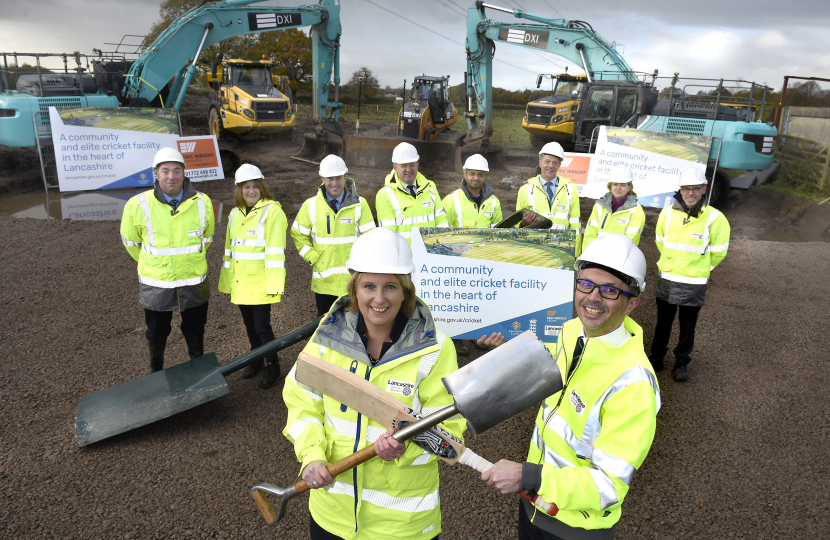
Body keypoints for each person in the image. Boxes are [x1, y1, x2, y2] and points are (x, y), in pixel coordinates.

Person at [282, 227, 464, 539]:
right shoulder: (328, 337)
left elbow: (450, 435)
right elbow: (302, 400)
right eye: (369, 286)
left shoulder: (435, 348)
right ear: (354, 289)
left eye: (390, 287)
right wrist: (312, 455)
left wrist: (404, 446)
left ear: (406, 290)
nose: (379, 299)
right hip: (331, 517)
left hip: (401, 527)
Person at [480, 234, 660, 540]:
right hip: (534, 503)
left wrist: (528, 475)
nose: (592, 297)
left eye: (610, 291)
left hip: (577, 529)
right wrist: (503, 354)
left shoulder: (634, 384)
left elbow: (608, 486)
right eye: (586, 284)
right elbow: (549, 379)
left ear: (631, 304)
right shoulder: (571, 330)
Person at [120, 147, 214, 373]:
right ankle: (156, 369)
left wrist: (188, 260)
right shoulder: (138, 204)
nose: (171, 176)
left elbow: (207, 238)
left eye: (176, 171)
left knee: (194, 328)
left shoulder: (203, 202)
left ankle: (197, 365)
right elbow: (131, 242)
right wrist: (155, 263)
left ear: (184, 173)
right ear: (156, 174)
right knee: (156, 331)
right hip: (157, 282)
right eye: (165, 171)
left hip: (193, 280)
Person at [651, 168, 730, 382]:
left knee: (688, 326)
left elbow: (720, 251)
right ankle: (656, 358)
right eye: (687, 188)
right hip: (667, 277)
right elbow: (660, 240)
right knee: (663, 323)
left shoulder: (715, 218)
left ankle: (681, 363)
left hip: (693, 281)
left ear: (704, 189)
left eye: (696, 188)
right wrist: (671, 262)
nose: (691, 193)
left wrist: (702, 268)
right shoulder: (667, 213)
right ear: (681, 189)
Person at [217, 164, 287, 389]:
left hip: (260, 282)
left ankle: (272, 364)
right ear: (239, 189)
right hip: (241, 282)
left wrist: (274, 284)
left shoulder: (272, 211)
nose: (251, 191)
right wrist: (228, 281)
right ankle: (256, 359)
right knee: (249, 325)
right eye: (246, 187)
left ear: (262, 187)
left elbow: (276, 251)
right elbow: (230, 251)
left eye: (255, 186)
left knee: (262, 326)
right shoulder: (235, 213)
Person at [291, 154, 376, 317]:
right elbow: (297, 234)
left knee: (354, 327)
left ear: (345, 177)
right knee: (326, 328)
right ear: (322, 178)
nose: (335, 183)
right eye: (330, 178)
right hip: (324, 282)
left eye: (339, 178)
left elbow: (370, 238)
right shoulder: (310, 205)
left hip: (353, 281)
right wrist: (312, 256)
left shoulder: (360, 204)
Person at [442, 152, 503, 355]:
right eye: (472, 174)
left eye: (480, 174)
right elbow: (442, 232)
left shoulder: (493, 202)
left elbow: (499, 231)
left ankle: (480, 337)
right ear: (465, 174)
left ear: (485, 176)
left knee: (481, 300)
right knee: (459, 300)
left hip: (484, 261)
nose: (476, 178)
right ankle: (457, 339)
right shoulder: (451, 201)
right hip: (458, 260)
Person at [375, 142, 449, 245]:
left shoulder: (430, 187)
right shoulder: (385, 195)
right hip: (403, 258)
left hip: (430, 256)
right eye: (404, 166)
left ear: (417, 165)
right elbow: (388, 236)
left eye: (412, 165)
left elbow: (441, 221)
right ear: (395, 167)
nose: (408, 170)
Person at [515, 141, 582, 254]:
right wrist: (522, 225)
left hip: (562, 251)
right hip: (534, 251)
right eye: (547, 161)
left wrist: (575, 254)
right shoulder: (525, 190)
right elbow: (517, 224)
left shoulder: (571, 189)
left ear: (560, 165)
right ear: (540, 162)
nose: (550, 166)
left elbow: (575, 225)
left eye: (555, 162)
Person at [582, 165, 646, 249]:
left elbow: (631, 240)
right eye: (615, 184)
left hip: (618, 257)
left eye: (623, 185)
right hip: (595, 255)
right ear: (610, 186)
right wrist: (588, 254)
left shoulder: (636, 210)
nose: (618, 188)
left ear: (629, 186)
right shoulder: (599, 205)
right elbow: (590, 234)